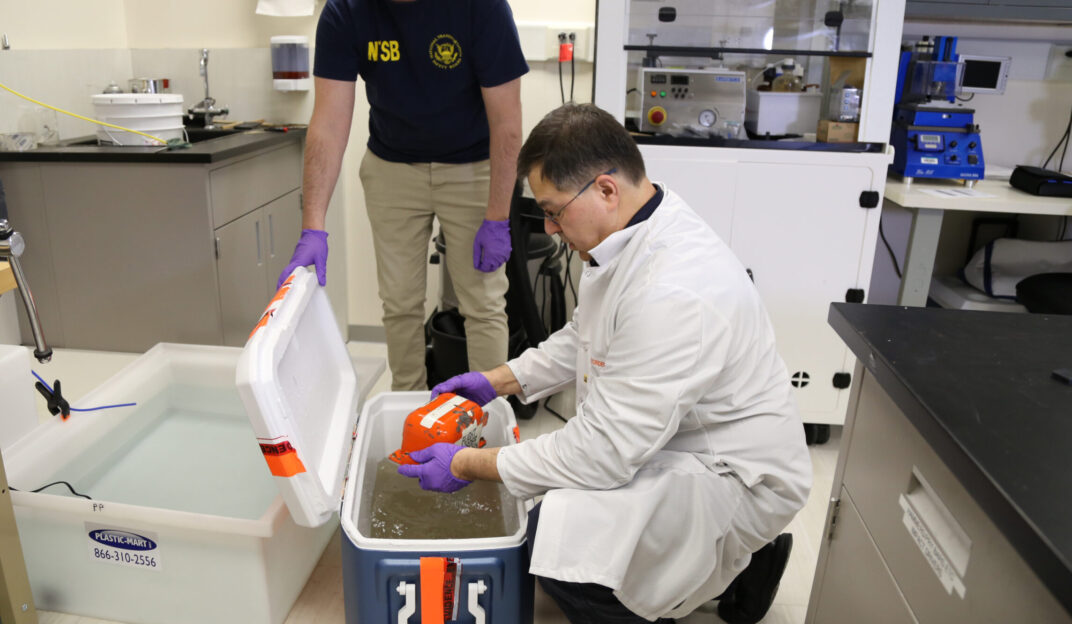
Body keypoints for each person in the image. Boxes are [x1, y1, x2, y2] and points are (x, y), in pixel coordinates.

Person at [397, 103, 813, 624]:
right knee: (561, 520)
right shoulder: (630, 232)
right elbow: (585, 337)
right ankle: (743, 568)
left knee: (566, 559)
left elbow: (601, 453)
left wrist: (464, 465)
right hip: (673, 435)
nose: (548, 229)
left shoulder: (676, 290)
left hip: (735, 474)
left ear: (606, 189)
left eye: (552, 211)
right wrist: (496, 381)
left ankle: (740, 555)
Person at [279, 0, 528, 391]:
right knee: (399, 305)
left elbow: (507, 122)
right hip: (391, 166)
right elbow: (328, 122)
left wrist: (497, 217)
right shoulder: (346, 10)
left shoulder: (482, 7)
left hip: (473, 167)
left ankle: (485, 421)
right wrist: (313, 226)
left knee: (483, 304)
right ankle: (408, 411)